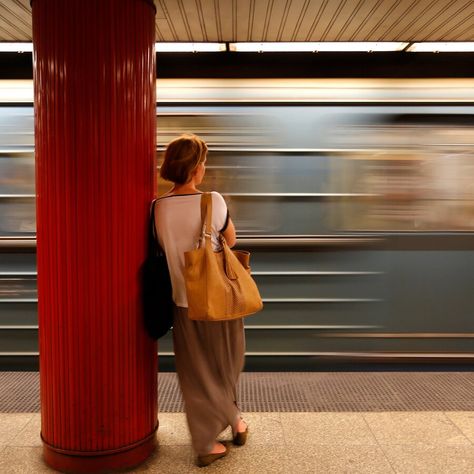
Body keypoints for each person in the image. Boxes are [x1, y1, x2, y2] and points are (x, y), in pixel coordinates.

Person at [154, 134, 248, 467]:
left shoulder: (157, 207)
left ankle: (234, 422)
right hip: (217, 299)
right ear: (196, 168)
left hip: (181, 302)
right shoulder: (213, 200)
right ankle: (207, 442)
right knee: (227, 360)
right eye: (202, 161)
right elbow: (231, 239)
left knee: (195, 371)